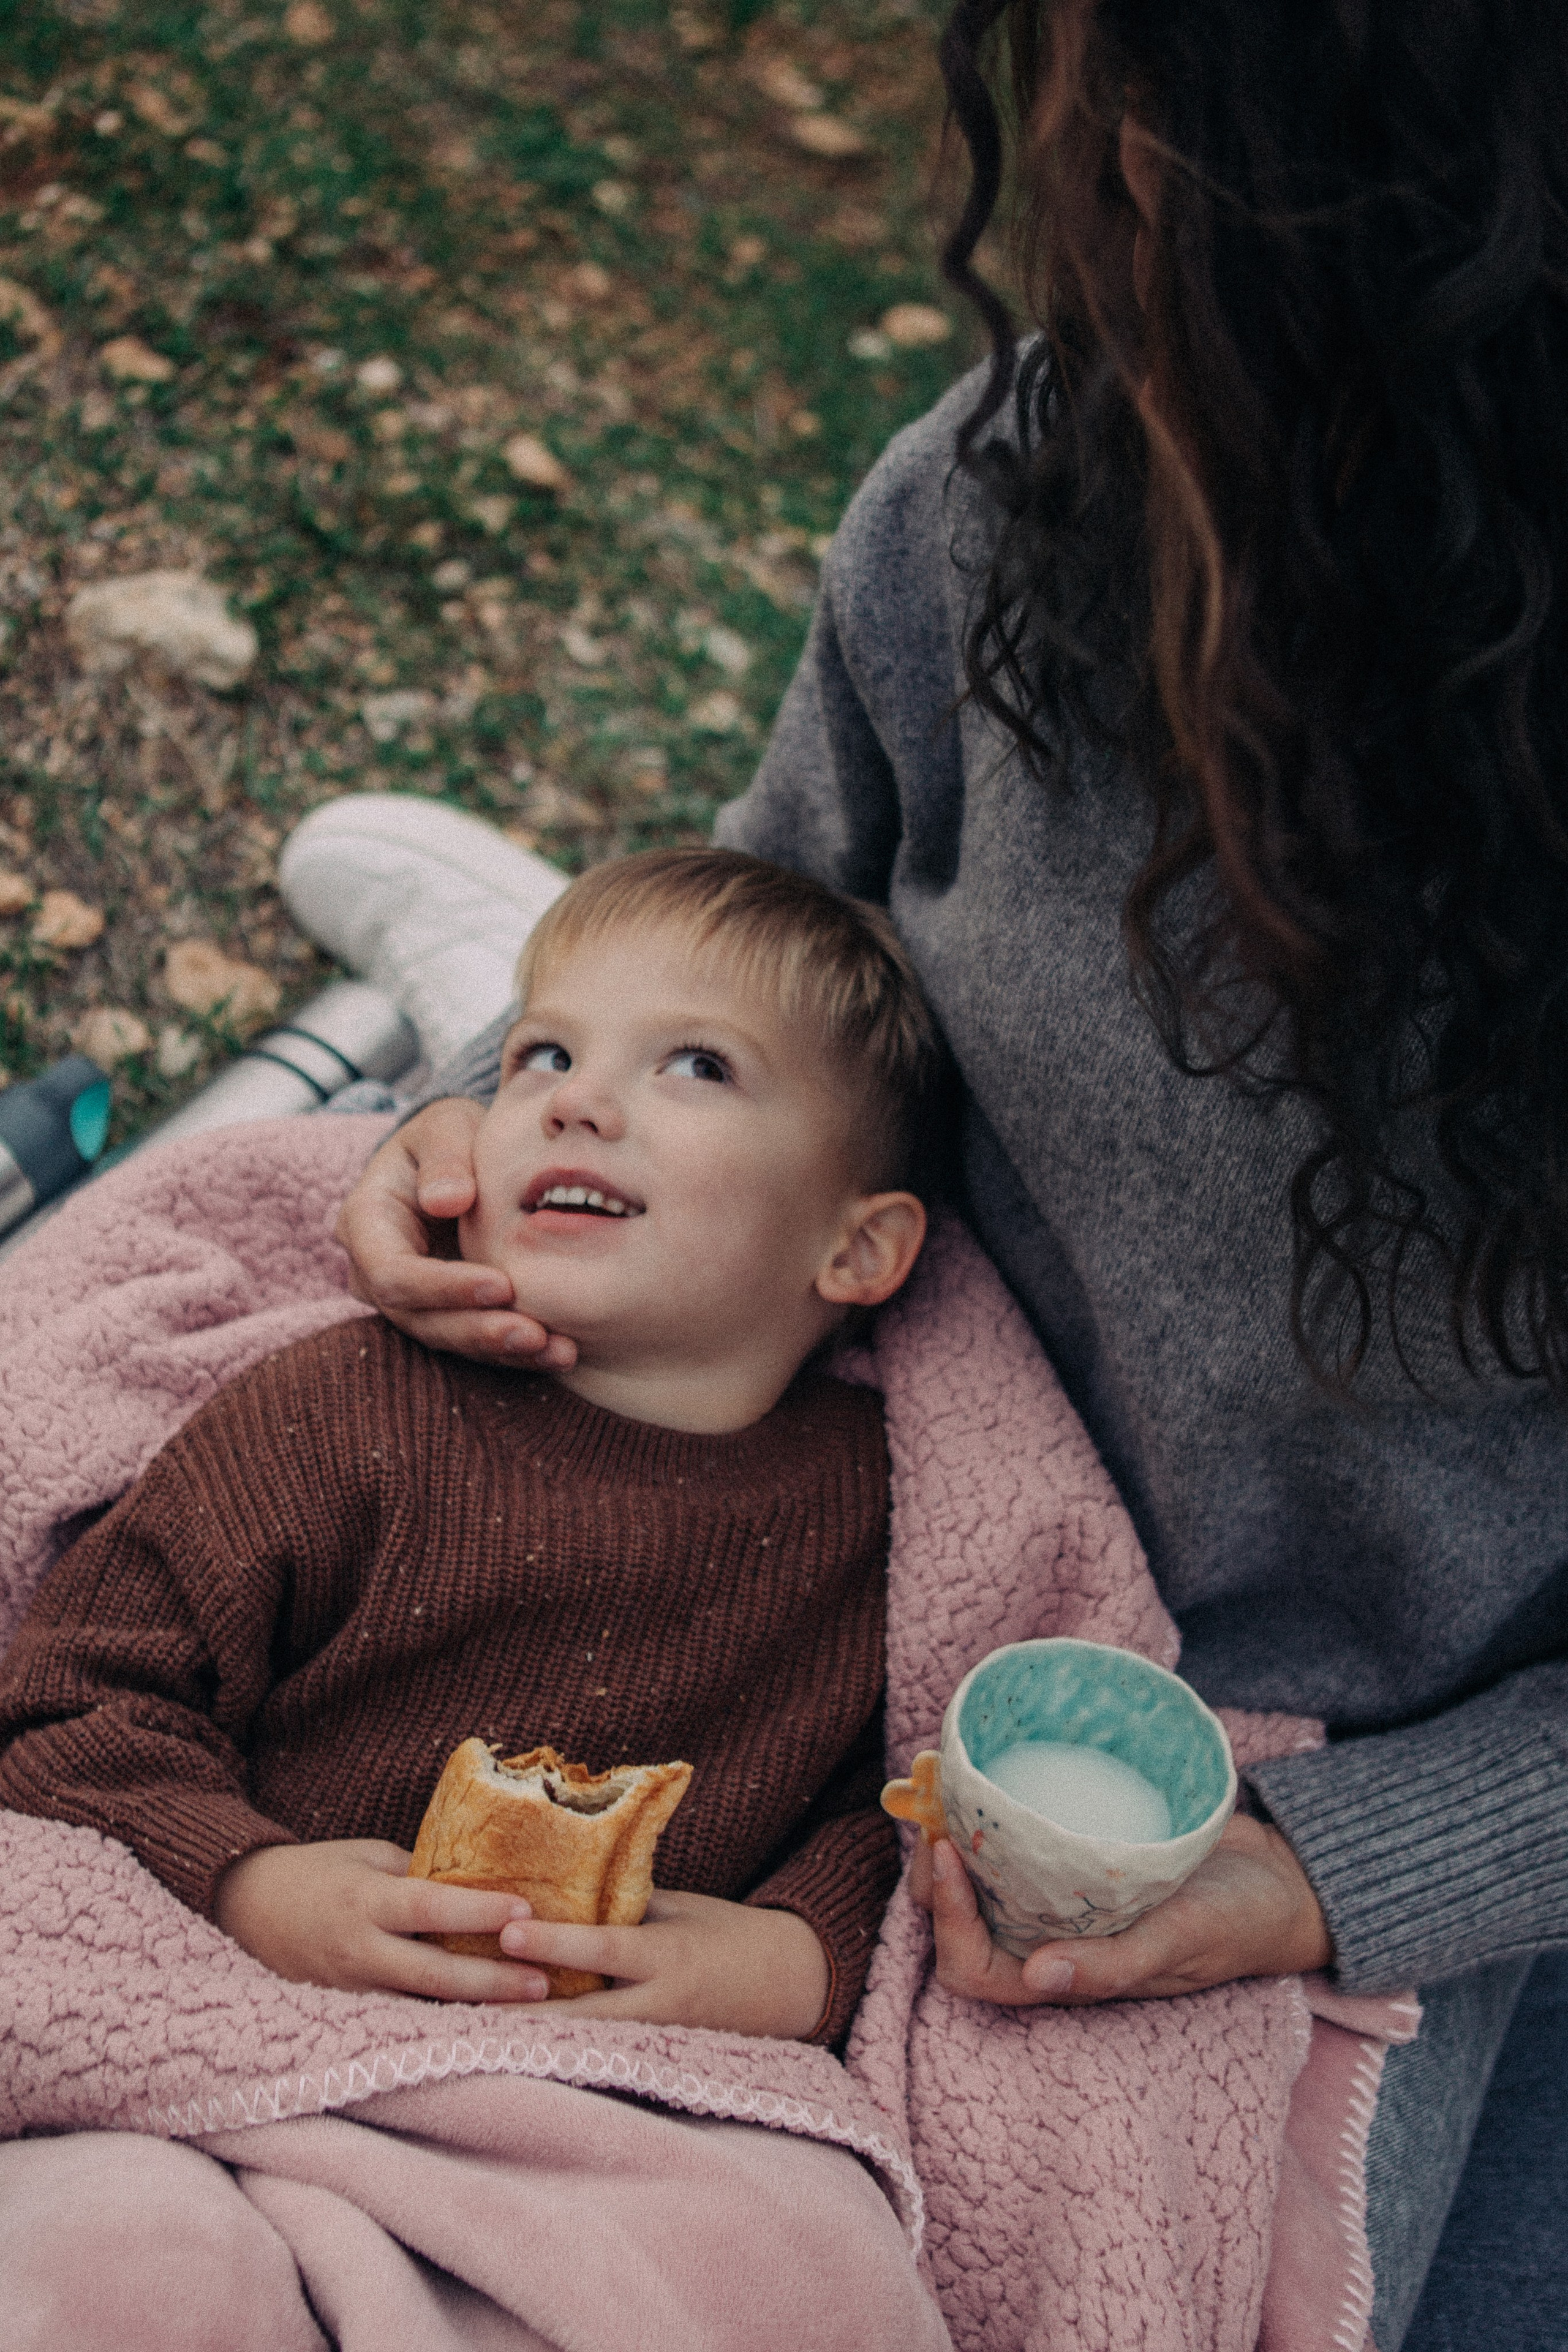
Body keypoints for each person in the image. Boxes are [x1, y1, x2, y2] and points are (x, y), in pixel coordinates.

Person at [322, 5, 1568, 2348]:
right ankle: (474, 973)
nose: (1073, 175)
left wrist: (1336, 1873)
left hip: (1314, 1776)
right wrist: (489, 1102)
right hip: (835, 1420)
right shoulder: (1028, 497)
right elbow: (793, 920)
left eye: (1147, 127)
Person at [0, 848, 933, 2042]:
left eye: (697, 1065)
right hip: (253, 2023)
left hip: (616, 2133)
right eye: (540, 1054)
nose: (574, 1101)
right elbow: (66, 1704)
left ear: (856, 1251)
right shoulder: (339, 1411)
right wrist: (244, 1881)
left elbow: (912, 1815)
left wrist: (800, 1954)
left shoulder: (888, 1516)